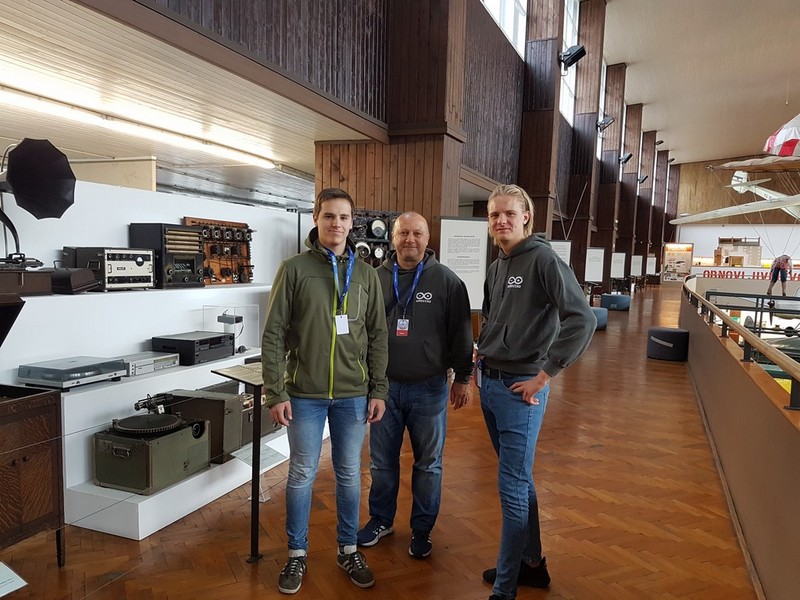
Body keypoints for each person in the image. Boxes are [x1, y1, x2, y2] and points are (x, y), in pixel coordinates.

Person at [262, 187, 388, 595]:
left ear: (353, 223)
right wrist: (275, 392)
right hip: (304, 394)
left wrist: (378, 388)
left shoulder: (366, 274)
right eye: (329, 216)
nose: (337, 224)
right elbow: (274, 333)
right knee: (301, 473)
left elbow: (378, 336)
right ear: (316, 219)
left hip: (354, 394)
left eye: (344, 217)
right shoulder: (294, 269)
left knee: (349, 474)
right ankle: (297, 553)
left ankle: (348, 548)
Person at [477, 184, 595, 600]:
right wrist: (483, 348)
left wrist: (545, 377)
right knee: (519, 480)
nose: (502, 220)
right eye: (495, 214)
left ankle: (505, 588)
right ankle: (531, 565)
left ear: (526, 216)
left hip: (520, 392)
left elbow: (582, 319)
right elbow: (493, 317)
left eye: (510, 213)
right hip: (489, 383)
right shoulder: (497, 265)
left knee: (511, 487)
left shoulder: (544, 259)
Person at [356, 212, 473, 558]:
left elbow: (462, 334)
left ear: (427, 238)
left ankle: (422, 530)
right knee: (381, 462)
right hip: (384, 390)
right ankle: (381, 520)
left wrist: (463, 377)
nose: (410, 239)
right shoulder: (375, 278)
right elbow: (362, 332)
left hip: (429, 388)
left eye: (417, 233)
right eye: (403, 233)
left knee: (429, 464)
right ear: (392, 238)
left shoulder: (447, 281)